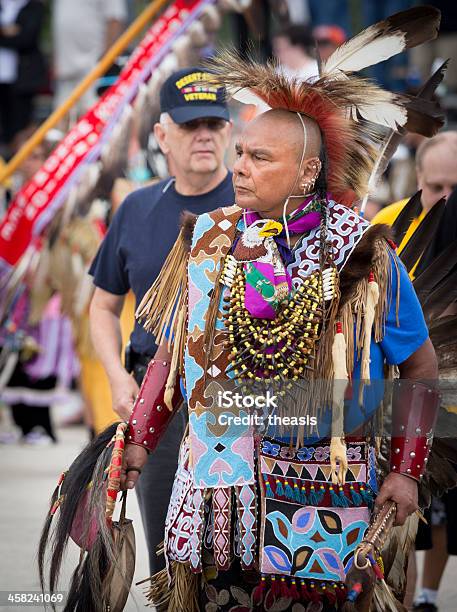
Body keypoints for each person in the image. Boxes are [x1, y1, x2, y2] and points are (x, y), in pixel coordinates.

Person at [121, 9, 446, 608]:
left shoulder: (361, 255)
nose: (239, 167)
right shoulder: (209, 239)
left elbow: (420, 368)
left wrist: (406, 469)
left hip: (325, 506)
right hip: (217, 501)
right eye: (240, 152)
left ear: (308, 171)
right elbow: (172, 348)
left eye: (259, 158)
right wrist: (139, 438)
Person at [89, 66, 234, 575]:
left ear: (230, 132)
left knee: (231, 550)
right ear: (161, 134)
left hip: (237, 395)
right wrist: (115, 375)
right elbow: (103, 306)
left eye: (214, 125)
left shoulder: (255, 204)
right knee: (163, 551)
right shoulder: (136, 208)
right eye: (191, 125)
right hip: (156, 398)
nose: (204, 136)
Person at [372, 132, 457, 256]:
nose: (448, 198)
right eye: (436, 188)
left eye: (455, 189)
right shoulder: (387, 223)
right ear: (419, 177)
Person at [52, 0, 127, 115]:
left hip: (94, 69)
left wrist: (106, 61)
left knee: (94, 121)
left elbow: (115, 19)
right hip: (66, 72)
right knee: (62, 126)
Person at [0, 0, 46, 152]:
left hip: (22, 81)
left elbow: (26, 38)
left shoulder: (33, 6)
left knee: (20, 129)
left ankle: (16, 165)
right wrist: (8, 31)